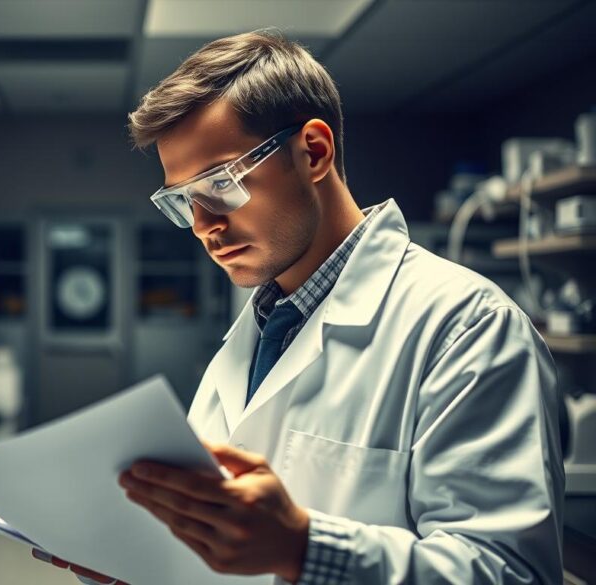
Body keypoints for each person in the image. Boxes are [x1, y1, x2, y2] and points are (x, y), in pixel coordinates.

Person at [34, 30, 564, 584]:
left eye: (220, 184)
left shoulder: (468, 330)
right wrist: (146, 567)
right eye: (182, 201)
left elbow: (510, 571)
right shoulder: (259, 330)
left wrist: (305, 549)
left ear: (313, 151)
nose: (203, 226)